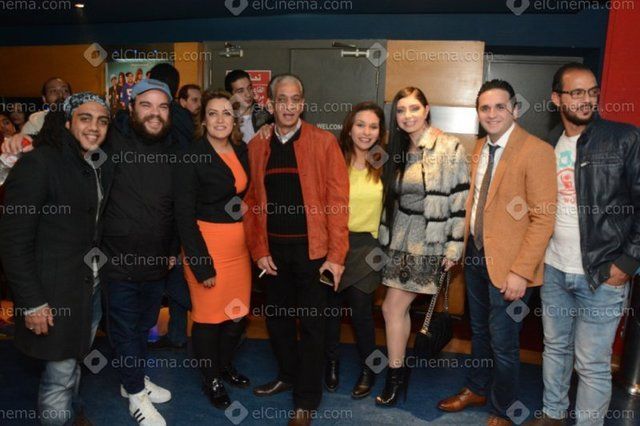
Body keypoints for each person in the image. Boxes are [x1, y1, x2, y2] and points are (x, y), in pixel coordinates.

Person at [525, 63, 639, 426]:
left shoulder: (624, 139)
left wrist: (628, 262)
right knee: (555, 349)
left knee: (591, 363)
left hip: (603, 273)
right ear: (556, 98)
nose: (586, 99)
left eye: (592, 92)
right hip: (555, 269)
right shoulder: (549, 145)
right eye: (576, 93)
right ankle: (553, 415)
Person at [437, 79, 556, 426]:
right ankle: (477, 388)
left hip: (512, 267)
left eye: (499, 106)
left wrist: (521, 272)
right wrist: (459, 247)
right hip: (476, 256)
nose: (492, 114)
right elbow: (475, 204)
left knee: (504, 342)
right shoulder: (479, 147)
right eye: (485, 108)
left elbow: (543, 217)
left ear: (514, 109)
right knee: (479, 332)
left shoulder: (536, 151)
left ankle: (502, 408)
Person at [0, 93, 112, 425]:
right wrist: (32, 302)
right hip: (53, 295)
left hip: (89, 289)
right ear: (66, 122)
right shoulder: (39, 162)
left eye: (102, 121)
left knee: (74, 360)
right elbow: (13, 241)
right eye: (85, 118)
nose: (94, 127)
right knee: (58, 376)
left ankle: (70, 412)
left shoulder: (95, 163)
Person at [244, 74, 349, 426]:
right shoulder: (257, 146)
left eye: (295, 99)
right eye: (282, 100)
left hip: (313, 254)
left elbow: (338, 204)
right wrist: (258, 249)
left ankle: (306, 399)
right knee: (278, 321)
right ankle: (287, 375)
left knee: (313, 327)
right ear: (270, 104)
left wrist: (336, 257)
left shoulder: (324, 142)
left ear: (303, 103)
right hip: (272, 255)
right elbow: (252, 202)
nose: (289, 106)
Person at [375, 87, 469, 406]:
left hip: (429, 239)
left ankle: (395, 376)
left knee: (392, 308)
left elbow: (460, 200)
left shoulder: (448, 146)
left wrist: (454, 247)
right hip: (400, 237)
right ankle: (398, 373)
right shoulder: (398, 147)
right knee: (394, 309)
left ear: (427, 109)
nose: (407, 116)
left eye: (414, 108)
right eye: (401, 110)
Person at [104, 79, 176, 426]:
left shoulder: (174, 147)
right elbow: (68, 129)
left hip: (157, 260)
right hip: (117, 259)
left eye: (162, 107)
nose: (154, 113)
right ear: (131, 108)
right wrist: (20, 138)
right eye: (146, 105)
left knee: (144, 325)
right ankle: (135, 394)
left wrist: (173, 249)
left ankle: (132, 379)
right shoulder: (112, 139)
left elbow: (176, 205)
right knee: (123, 330)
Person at [174, 90, 251, 410]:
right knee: (208, 319)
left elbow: (239, 191)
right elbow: (183, 215)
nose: (220, 120)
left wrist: (243, 209)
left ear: (234, 119)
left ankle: (221, 364)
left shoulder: (241, 149)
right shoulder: (191, 155)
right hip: (206, 247)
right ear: (203, 120)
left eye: (226, 113)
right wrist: (201, 264)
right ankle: (212, 379)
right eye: (213, 113)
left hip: (239, 249)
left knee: (237, 316)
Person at [324, 101, 385, 399]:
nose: (366, 132)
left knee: (362, 312)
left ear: (380, 132)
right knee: (330, 311)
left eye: (373, 126)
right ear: (349, 128)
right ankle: (331, 362)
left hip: (368, 247)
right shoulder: (334, 158)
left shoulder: (384, 162)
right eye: (360, 125)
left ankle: (369, 368)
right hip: (334, 243)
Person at [146, 63, 194, 351]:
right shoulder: (185, 118)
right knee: (174, 271)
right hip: (182, 205)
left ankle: (144, 333)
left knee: (158, 274)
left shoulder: (151, 119)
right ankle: (177, 334)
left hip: (158, 206)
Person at [224, 69, 273, 143]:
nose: (248, 94)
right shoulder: (226, 120)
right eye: (240, 91)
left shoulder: (266, 117)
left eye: (249, 88)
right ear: (231, 95)